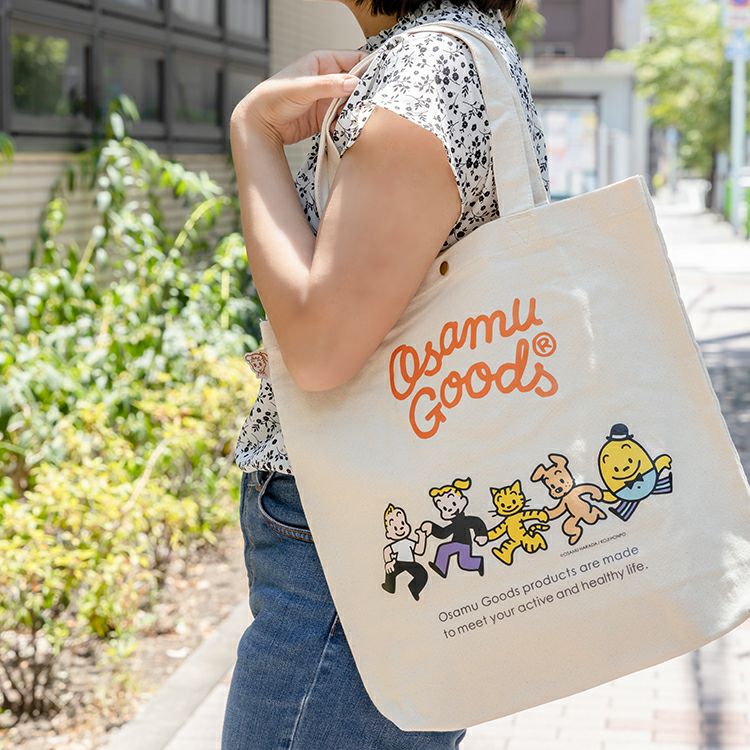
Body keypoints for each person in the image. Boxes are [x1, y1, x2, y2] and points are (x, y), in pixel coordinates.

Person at [221, 0, 550, 747]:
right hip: (403, 516)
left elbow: (319, 350)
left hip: (361, 539)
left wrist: (253, 133)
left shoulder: (427, 68)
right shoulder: (458, 52)